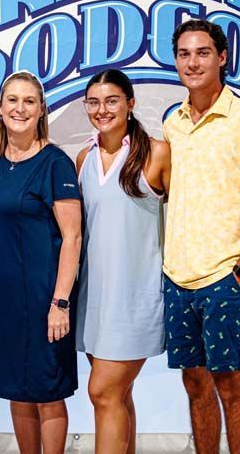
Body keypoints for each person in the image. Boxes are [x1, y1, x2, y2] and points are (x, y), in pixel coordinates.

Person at [162, 19, 240, 454]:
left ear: (223, 58)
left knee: (232, 388)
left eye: (203, 52)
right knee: (195, 385)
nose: (192, 62)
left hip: (227, 278)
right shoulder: (172, 123)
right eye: (184, 54)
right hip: (178, 277)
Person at [0, 71, 83, 454]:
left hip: (43, 301)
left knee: (47, 392)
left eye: (29, 101)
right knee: (16, 391)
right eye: (12, 100)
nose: (20, 108)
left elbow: (73, 237)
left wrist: (60, 303)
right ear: (0, 109)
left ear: (41, 110)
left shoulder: (56, 163)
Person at [75, 69, 171, 454]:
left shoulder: (158, 153)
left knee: (102, 392)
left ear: (130, 104)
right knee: (119, 396)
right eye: (94, 102)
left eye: (112, 100)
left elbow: (188, 219)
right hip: (96, 300)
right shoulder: (84, 156)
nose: (102, 110)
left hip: (136, 299)